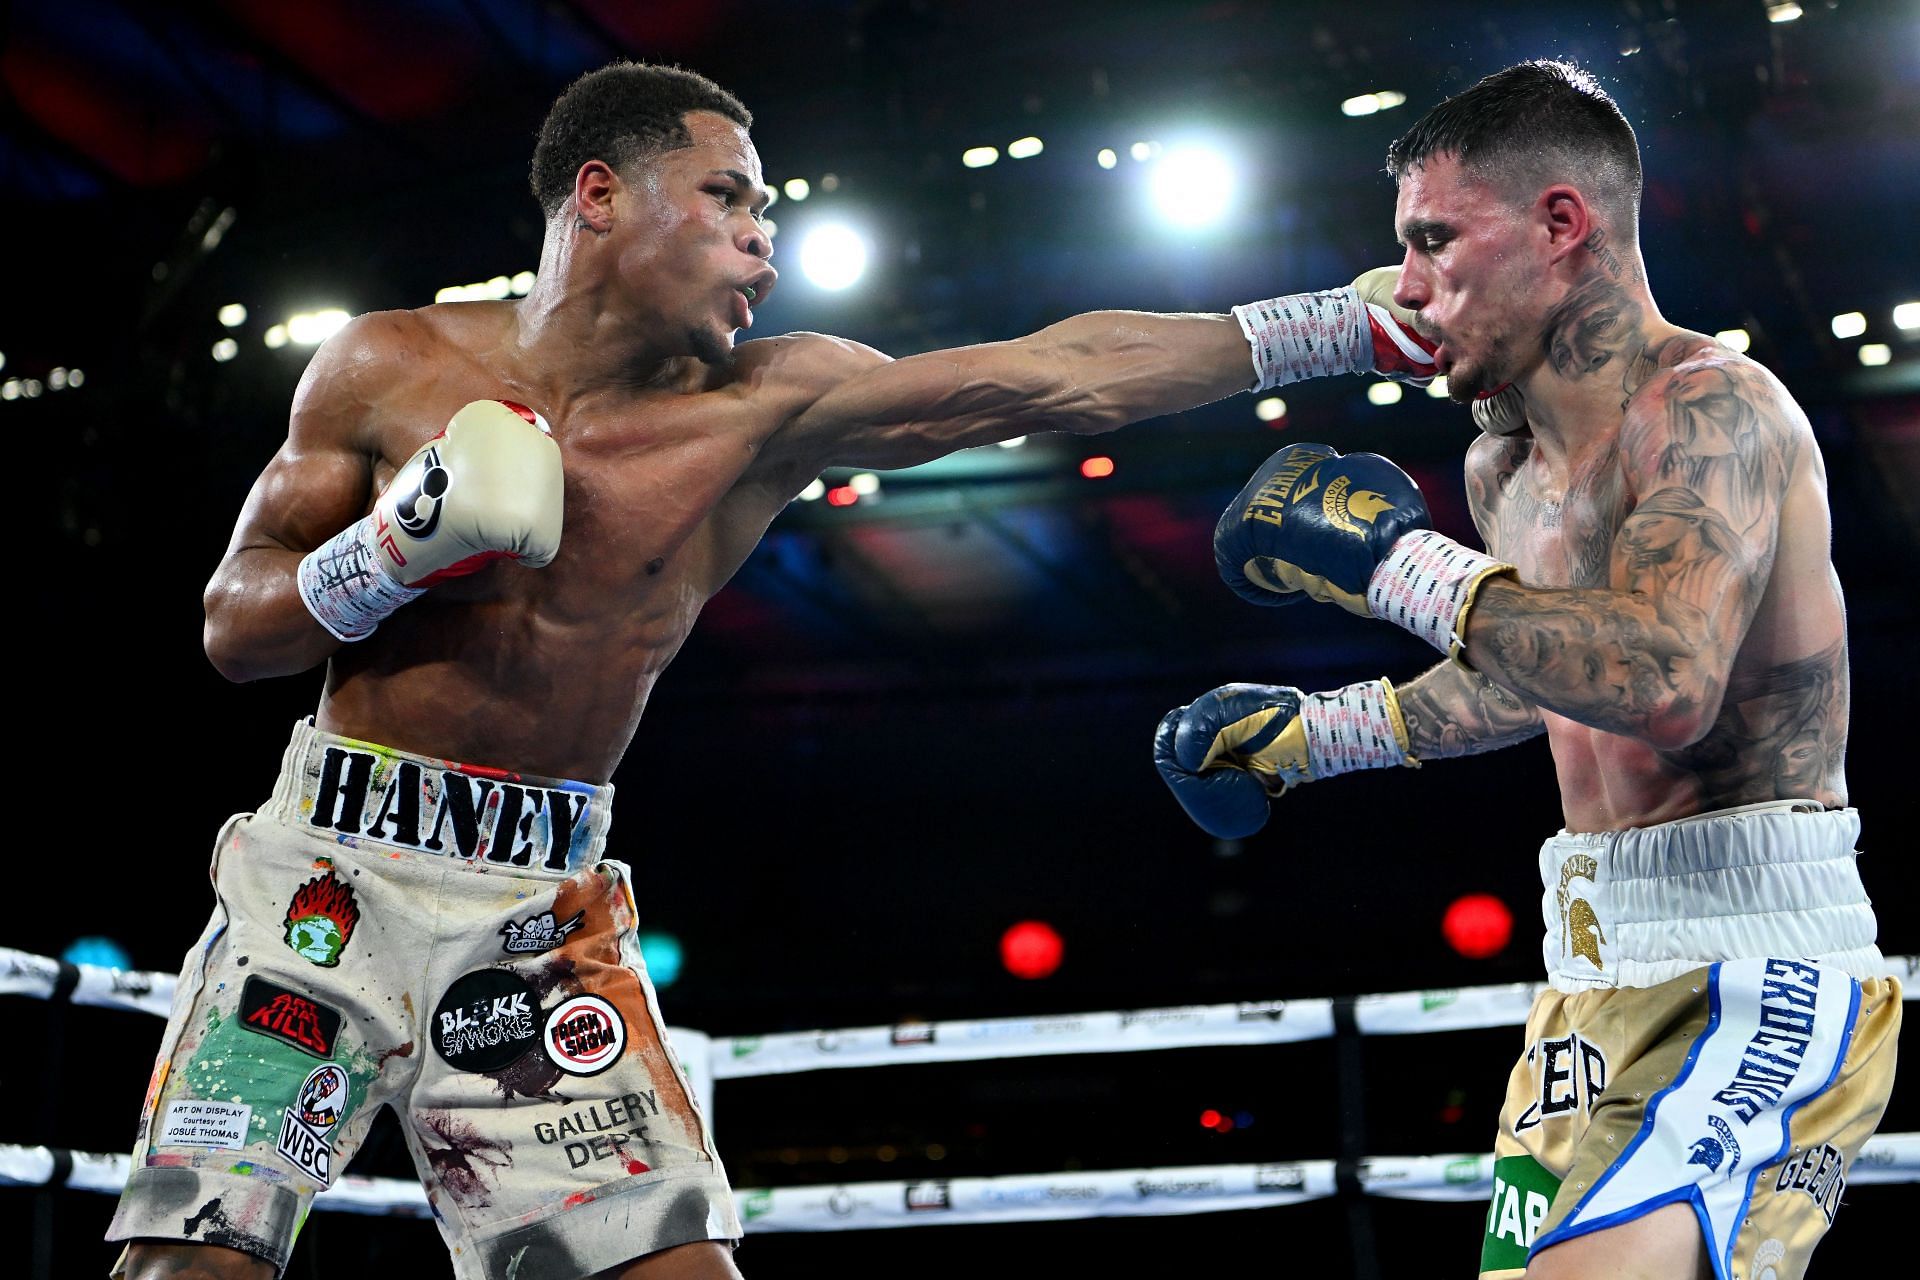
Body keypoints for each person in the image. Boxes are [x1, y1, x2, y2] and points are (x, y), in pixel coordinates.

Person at [109, 61, 1440, 1280]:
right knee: (191, 1266)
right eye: (729, 194)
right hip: (324, 888)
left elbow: (1053, 379)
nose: (767, 232)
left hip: (538, 919)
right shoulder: (387, 365)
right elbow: (237, 628)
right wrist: (392, 552)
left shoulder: (765, 410)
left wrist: (1333, 327)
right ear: (602, 195)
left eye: (772, 205)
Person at [1154, 61, 1900, 1280]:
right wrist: (1316, 734)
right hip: (1587, 969)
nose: (1406, 288)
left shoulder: (1717, 411)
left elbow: (1662, 679)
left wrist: (1393, 566)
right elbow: (1544, 674)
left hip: (1755, 960)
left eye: (1434, 240)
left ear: (1562, 225)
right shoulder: (1507, 468)